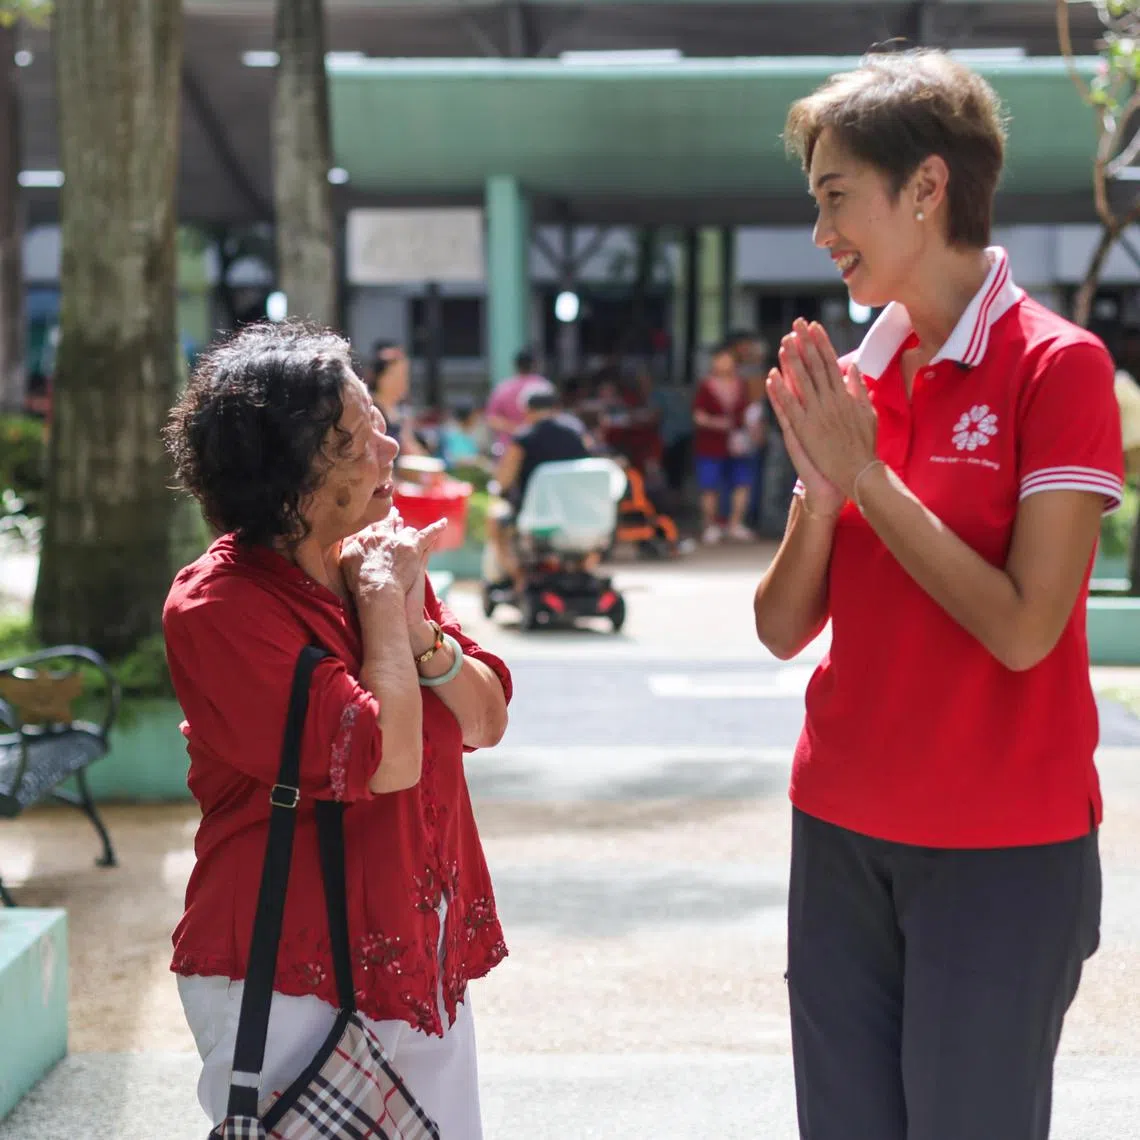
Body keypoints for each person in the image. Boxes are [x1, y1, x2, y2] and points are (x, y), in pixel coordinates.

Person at [753, 50, 1123, 1140]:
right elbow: (782, 629)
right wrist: (822, 497)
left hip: (1003, 848)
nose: (821, 233)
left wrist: (869, 477)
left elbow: (1023, 630)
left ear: (926, 187)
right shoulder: (852, 384)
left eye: (835, 198)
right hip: (839, 827)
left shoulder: (1060, 368)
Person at [162, 321, 512, 1138]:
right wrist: (389, 609)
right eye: (360, 436)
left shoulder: (370, 558)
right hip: (289, 966)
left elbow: (486, 715)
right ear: (294, 475)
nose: (390, 448)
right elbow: (387, 759)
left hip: (410, 948)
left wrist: (420, 636)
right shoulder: (223, 607)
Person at [485, 381, 590, 589]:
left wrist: (499, 487)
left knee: (495, 519)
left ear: (526, 410)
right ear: (555, 408)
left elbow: (504, 480)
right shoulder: (576, 436)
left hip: (532, 514)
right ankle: (580, 569)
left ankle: (517, 578)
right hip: (573, 512)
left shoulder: (523, 438)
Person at [691, 341, 754, 544]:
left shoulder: (742, 385)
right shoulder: (705, 386)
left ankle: (736, 523)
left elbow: (750, 413)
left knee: (742, 483)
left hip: (738, 445)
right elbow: (698, 416)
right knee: (709, 486)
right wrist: (717, 423)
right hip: (711, 444)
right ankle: (710, 525)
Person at [484, 348, 547, 453]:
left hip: (509, 449)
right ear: (534, 364)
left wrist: (515, 429)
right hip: (541, 448)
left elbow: (491, 419)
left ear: (515, 365)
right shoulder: (544, 387)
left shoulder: (503, 388)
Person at [369, 339, 424, 456]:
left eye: (405, 376)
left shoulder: (399, 413)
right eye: (398, 376)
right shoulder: (370, 410)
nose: (403, 383)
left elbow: (414, 453)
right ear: (381, 378)